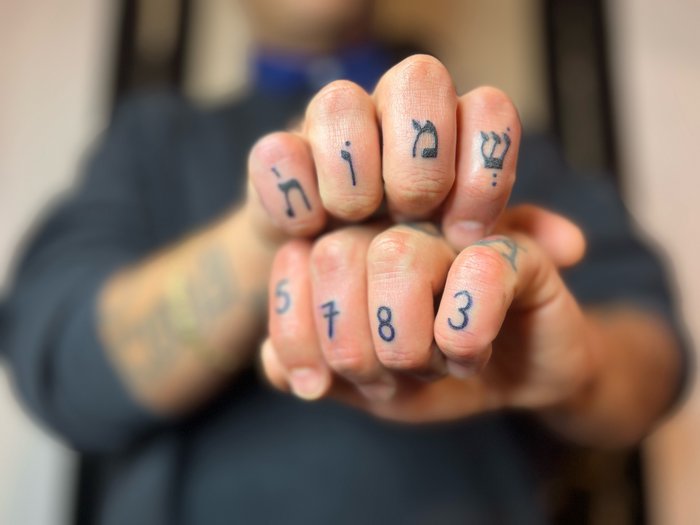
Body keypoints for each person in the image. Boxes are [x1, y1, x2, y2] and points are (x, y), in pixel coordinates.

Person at [0, 0, 689, 523]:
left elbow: (656, 355)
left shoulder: (505, 145)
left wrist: (576, 371)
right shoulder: (154, 140)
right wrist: (265, 238)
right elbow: (62, 365)